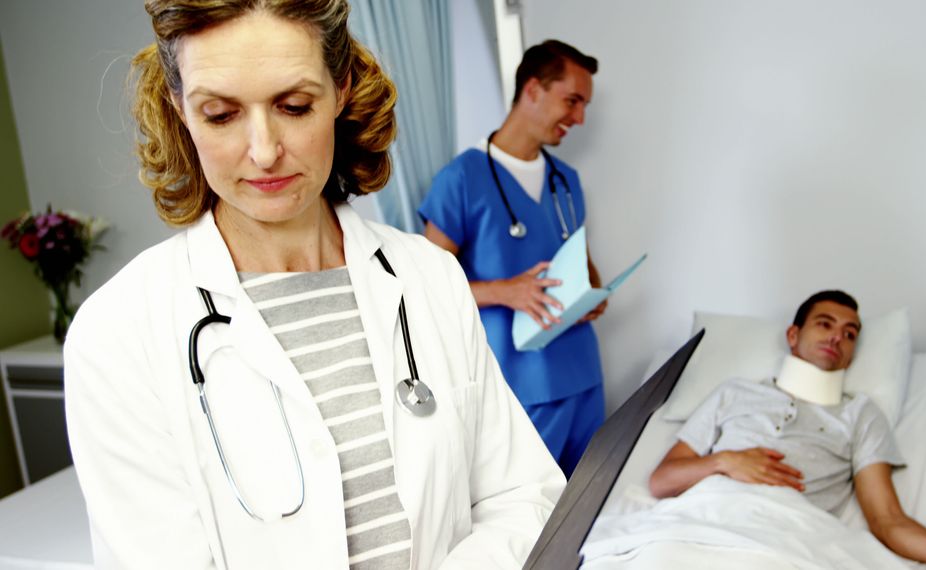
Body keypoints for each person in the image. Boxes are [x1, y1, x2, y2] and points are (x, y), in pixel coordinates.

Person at [63, 2, 564, 568]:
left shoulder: (429, 277)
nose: (265, 150)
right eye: (220, 114)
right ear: (179, 108)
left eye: (294, 106)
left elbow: (523, 496)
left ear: (341, 88)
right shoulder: (119, 333)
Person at [648, 290, 926, 569]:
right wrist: (724, 461)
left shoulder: (859, 414)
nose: (838, 337)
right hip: (706, 520)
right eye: (825, 324)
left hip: (789, 537)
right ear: (793, 335)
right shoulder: (734, 392)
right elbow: (662, 481)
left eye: (850, 333)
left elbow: (887, 519)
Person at [419, 40, 604, 476]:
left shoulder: (565, 180)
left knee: (588, 505)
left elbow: (583, 262)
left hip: (584, 377)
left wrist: (594, 292)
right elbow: (424, 283)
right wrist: (506, 291)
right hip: (520, 385)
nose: (579, 118)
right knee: (531, 522)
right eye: (572, 101)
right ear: (534, 90)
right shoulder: (462, 179)